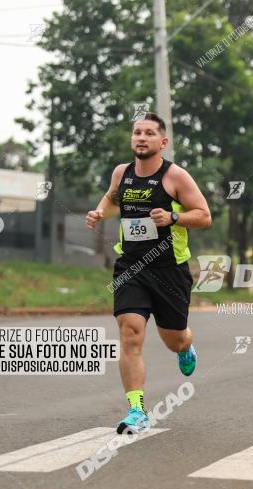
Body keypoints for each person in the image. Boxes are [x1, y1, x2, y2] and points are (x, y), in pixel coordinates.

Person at [86, 112, 211, 434]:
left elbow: (203, 216)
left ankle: (186, 346)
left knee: (174, 339)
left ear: (163, 142)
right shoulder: (121, 173)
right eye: (137, 133)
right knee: (130, 333)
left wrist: (173, 218)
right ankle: (137, 409)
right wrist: (100, 212)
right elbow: (112, 198)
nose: (141, 138)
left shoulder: (176, 177)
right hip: (131, 266)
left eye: (149, 133)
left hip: (170, 269)